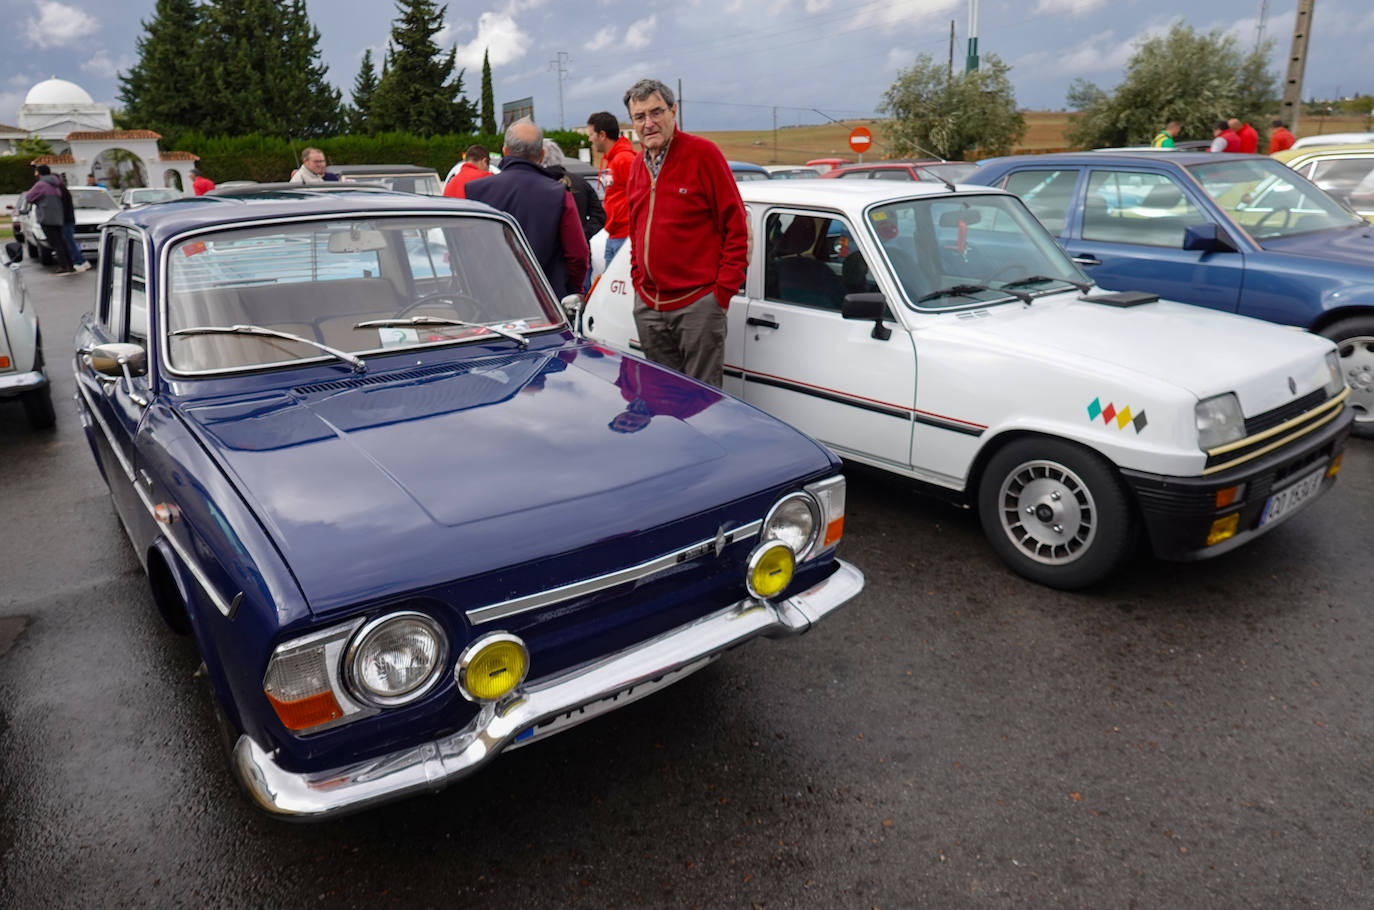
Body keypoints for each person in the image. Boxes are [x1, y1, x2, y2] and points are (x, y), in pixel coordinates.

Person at [622, 78, 747, 388]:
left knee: (703, 404)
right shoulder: (637, 165)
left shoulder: (703, 154)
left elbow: (736, 226)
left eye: (656, 112)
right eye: (640, 117)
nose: (649, 123)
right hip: (650, 305)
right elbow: (636, 230)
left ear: (673, 111)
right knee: (662, 399)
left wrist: (720, 294)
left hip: (698, 305)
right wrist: (638, 279)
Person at [466, 118, 589, 298]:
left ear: (505, 151)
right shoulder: (559, 194)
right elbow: (577, 254)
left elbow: (465, 250)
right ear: (541, 155)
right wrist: (572, 289)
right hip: (546, 300)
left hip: (490, 300)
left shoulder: (474, 191)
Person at [588, 110, 635, 270]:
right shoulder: (613, 160)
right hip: (615, 235)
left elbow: (640, 197)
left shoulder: (624, 159)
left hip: (625, 237)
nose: (590, 139)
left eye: (591, 134)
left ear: (602, 135)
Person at [541, 140, 605, 242]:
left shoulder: (538, 183)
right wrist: (582, 235)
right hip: (580, 249)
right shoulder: (581, 182)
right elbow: (599, 216)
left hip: (548, 251)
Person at [24, 166, 74, 273]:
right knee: (62, 242)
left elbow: (29, 197)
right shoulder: (57, 184)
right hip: (58, 217)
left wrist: (38, 201)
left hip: (46, 217)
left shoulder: (41, 185)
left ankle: (63, 266)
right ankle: (70, 265)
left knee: (55, 243)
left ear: (39, 173)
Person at [58, 179, 92, 273]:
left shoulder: (61, 192)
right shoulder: (64, 191)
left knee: (69, 243)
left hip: (66, 221)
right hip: (69, 220)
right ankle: (82, 261)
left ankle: (79, 262)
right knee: (70, 242)